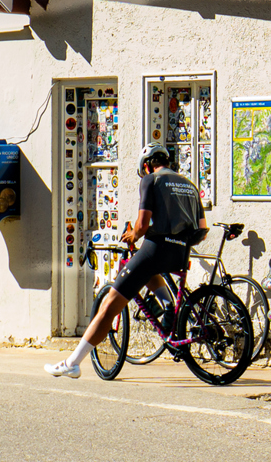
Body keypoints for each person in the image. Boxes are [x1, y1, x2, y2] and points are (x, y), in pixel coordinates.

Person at [45, 144, 205, 378]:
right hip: (181, 253)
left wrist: (132, 235)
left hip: (155, 249)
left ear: (148, 164)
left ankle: (72, 362)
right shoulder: (189, 185)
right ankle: (168, 304)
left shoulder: (151, 180)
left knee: (110, 305)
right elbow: (202, 229)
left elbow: (141, 226)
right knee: (150, 272)